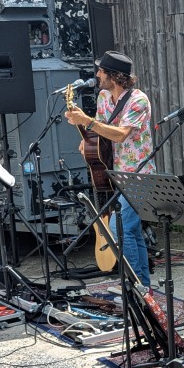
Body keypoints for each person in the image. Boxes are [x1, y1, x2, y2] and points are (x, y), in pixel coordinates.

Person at [64, 51, 154, 287]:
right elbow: (100, 131)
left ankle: (135, 285)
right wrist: (87, 140)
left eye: (101, 71)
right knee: (132, 231)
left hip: (138, 173)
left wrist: (87, 121)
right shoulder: (104, 97)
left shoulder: (138, 100)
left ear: (114, 76)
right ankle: (143, 285)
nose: (97, 75)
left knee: (119, 227)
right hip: (115, 171)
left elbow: (122, 135)